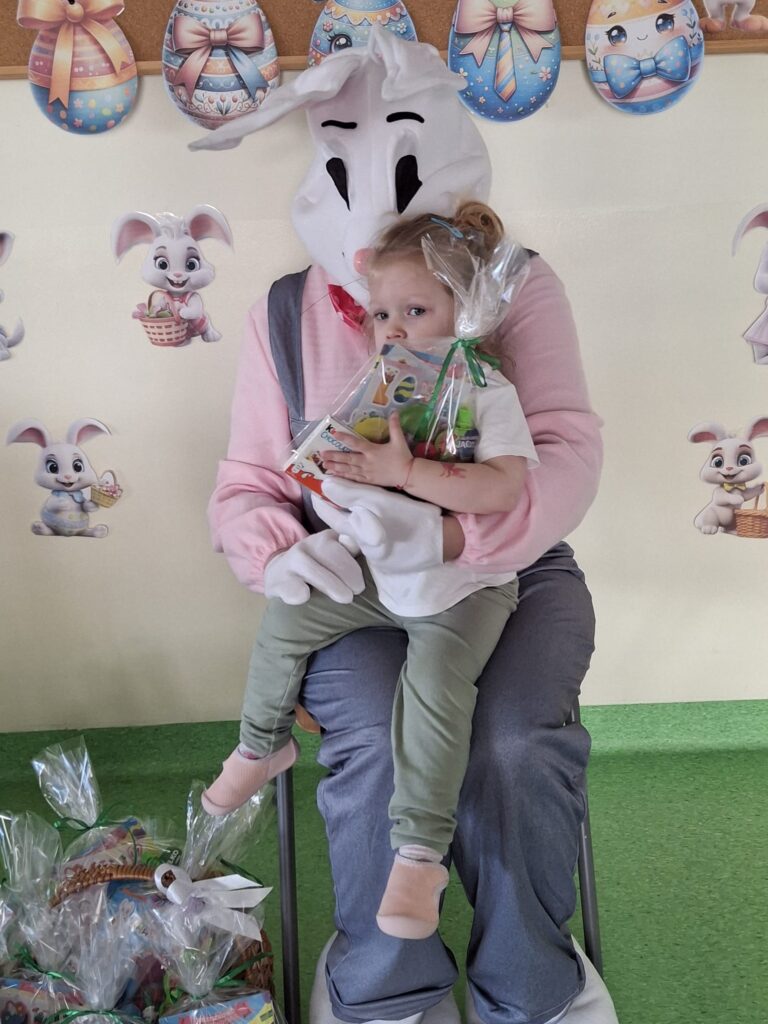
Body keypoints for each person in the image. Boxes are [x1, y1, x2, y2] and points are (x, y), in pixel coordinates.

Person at [197, 29, 618, 1024]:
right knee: (383, 738)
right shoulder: (285, 313)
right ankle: (388, 988)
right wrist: (281, 555)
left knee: (512, 742)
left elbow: (565, 454)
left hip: (506, 569)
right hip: (349, 573)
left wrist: (454, 541)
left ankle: (531, 984)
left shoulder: (512, 286)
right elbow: (247, 483)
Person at [202, 202, 538, 941]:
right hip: (380, 571)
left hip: (462, 587)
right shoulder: (384, 387)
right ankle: (262, 743)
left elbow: (504, 489)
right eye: (382, 314)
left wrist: (408, 473)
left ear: (464, 311)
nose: (394, 329)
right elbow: (334, 476)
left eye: (416, 310)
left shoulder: (486, 389)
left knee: (433, 690)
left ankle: (419, 855)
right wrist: (328, 477)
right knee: (289, 613)